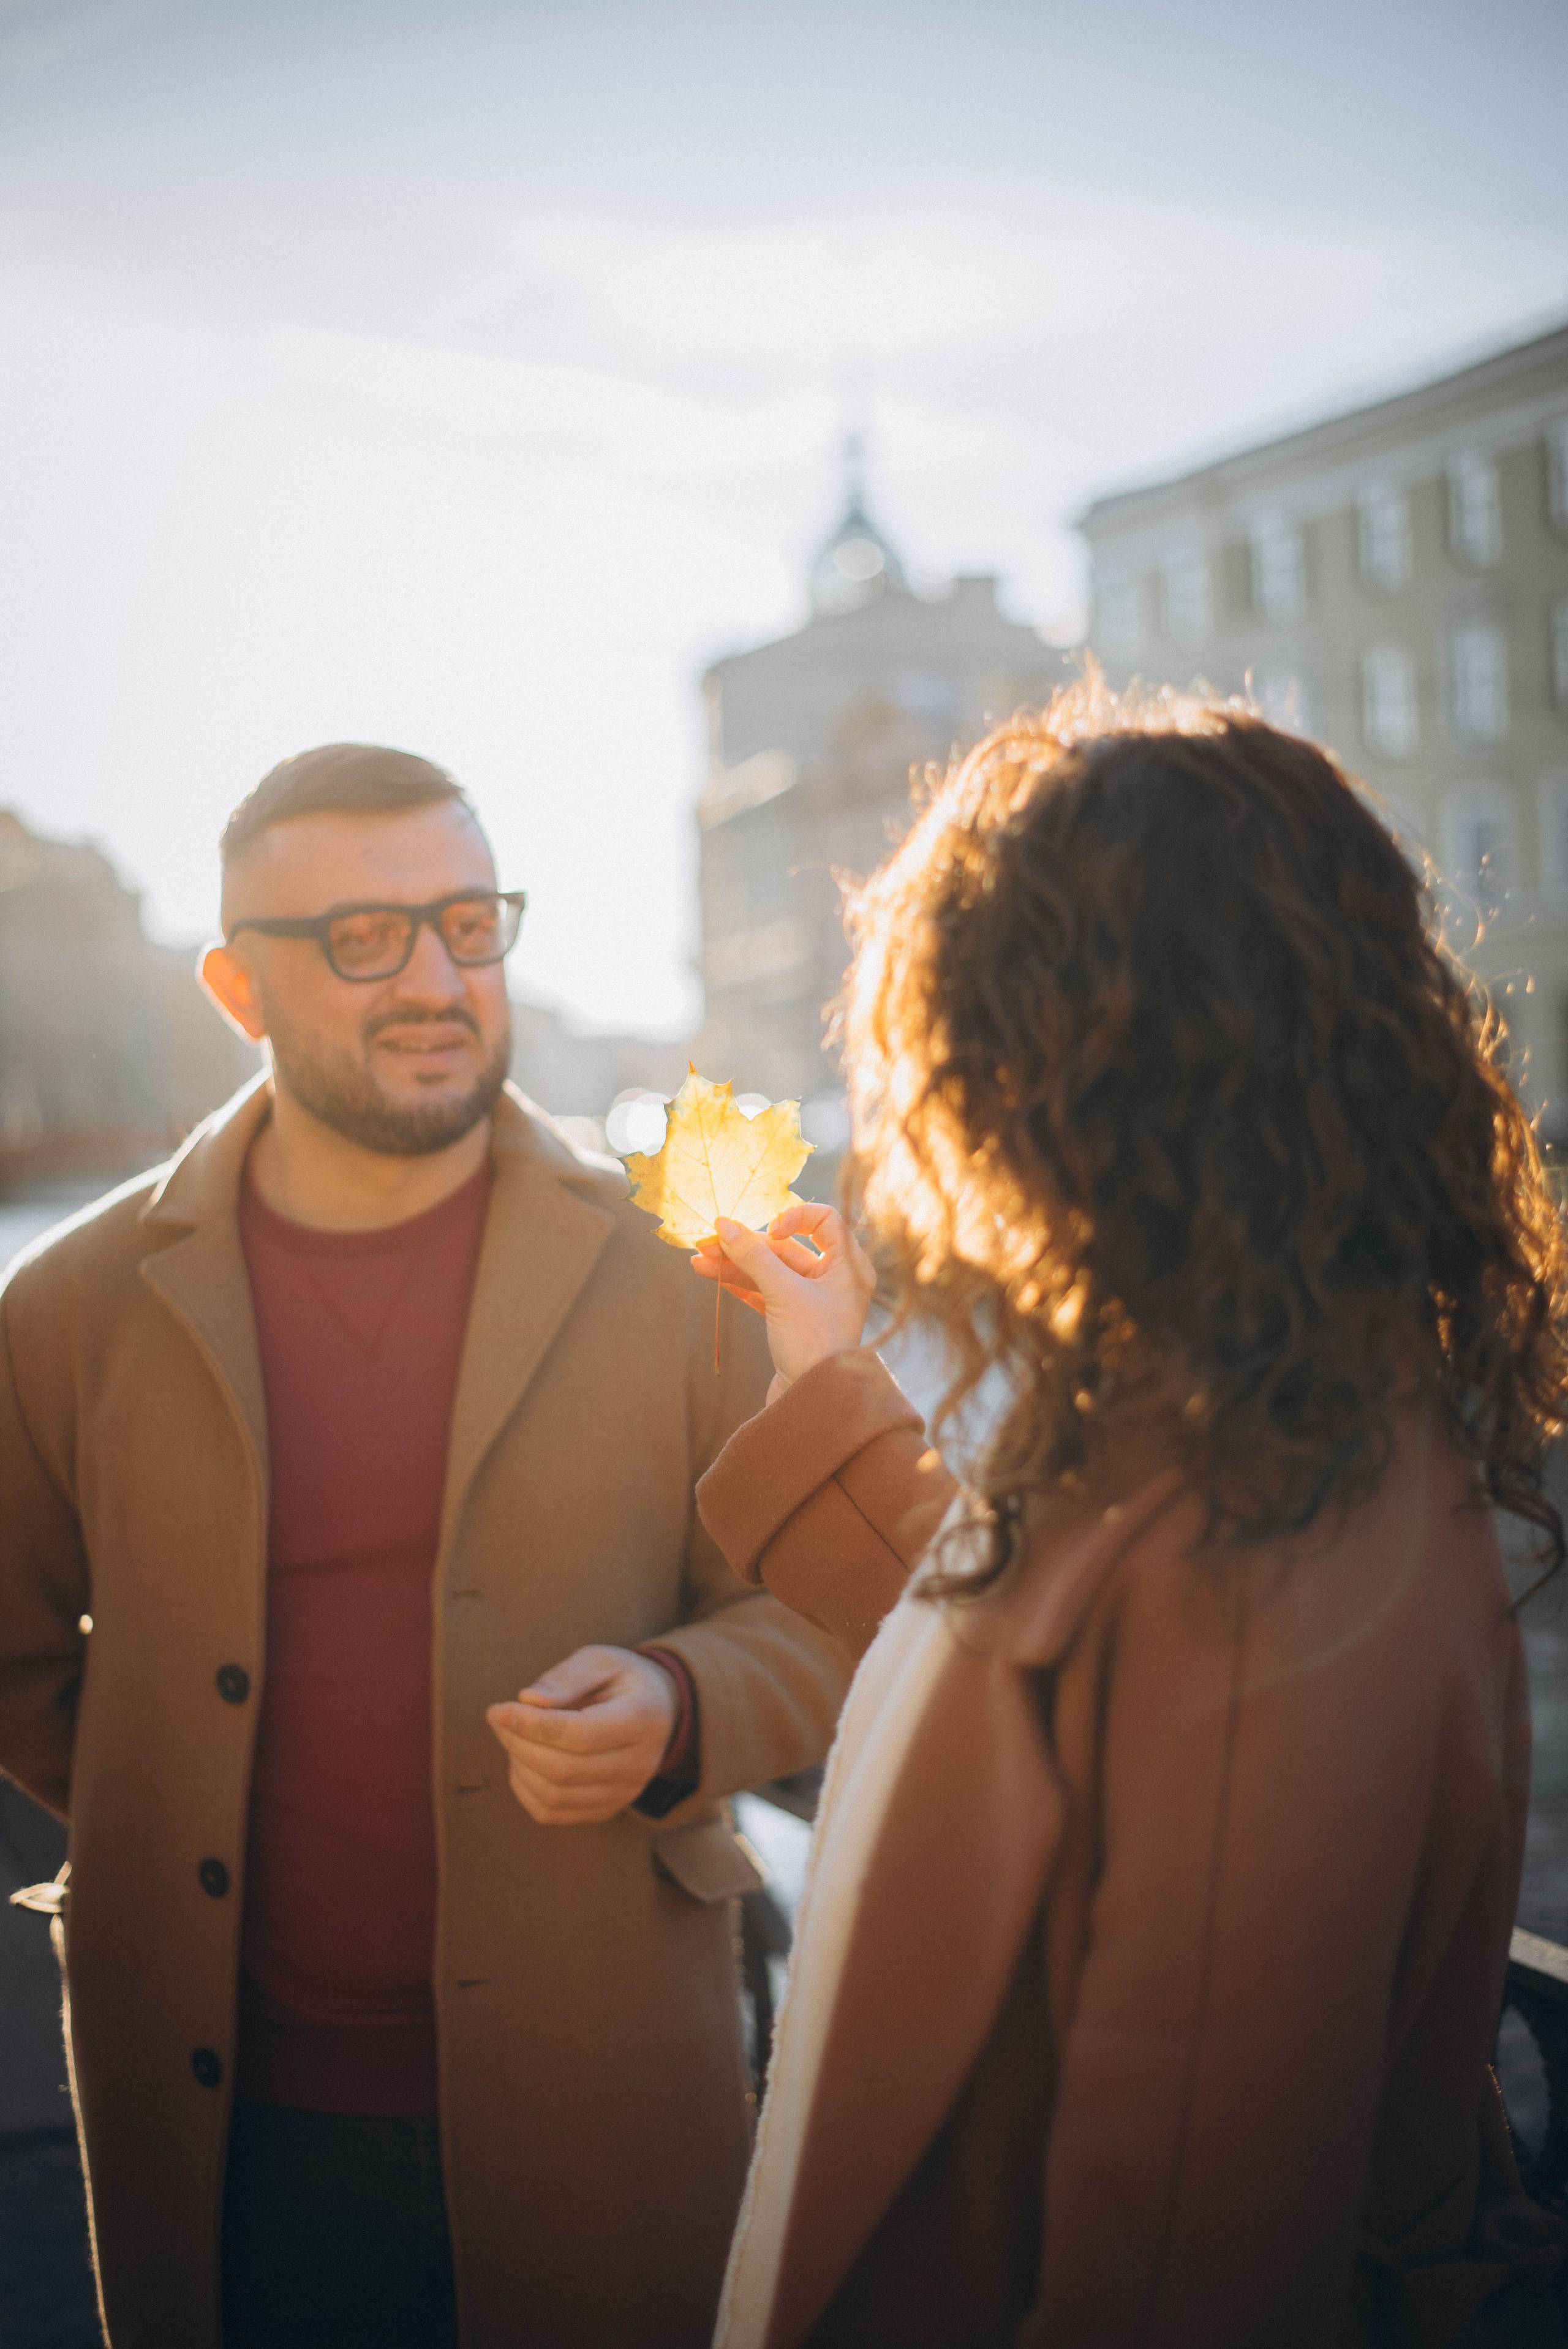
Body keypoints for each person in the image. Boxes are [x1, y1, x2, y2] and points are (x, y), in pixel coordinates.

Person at [690, 685, 1568, 2347]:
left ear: (1057, 1076)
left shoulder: (1268, 1546)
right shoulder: (1270, 1412)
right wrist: (828, 1366)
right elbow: (1059, 1705)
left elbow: (1178, 2260)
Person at [0, 742, 851, 2349]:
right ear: (237, 987)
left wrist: (683, 1702)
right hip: (226, 2126)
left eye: (468, 924)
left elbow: (820, 1612)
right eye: (363, 938)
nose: (438, 981)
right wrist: (173, 1796)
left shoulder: (688, 1271)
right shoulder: (67, 1307)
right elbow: (16, 1656)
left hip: (607, 2084)